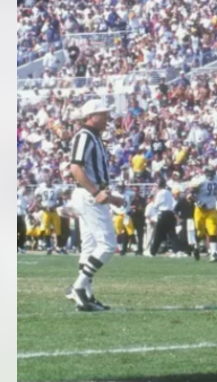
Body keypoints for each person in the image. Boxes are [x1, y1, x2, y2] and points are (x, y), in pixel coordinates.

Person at [67, 99, 123, 313]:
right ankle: (79, 287)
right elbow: (75, 168)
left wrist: (110, 196)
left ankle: (87, 297)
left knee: (90, 247)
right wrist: (95, 192)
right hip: (87, 195)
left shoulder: (94, 137)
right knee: (108, 245)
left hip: (90, 194)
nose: (107, 118)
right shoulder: (85, 136)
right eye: (102, 114)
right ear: (91, 116)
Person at [191, 167, 217, 262]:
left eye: (211, 172)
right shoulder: (200, 180)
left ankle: (213, 253)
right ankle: (196, 247)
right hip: (200, 210)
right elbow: (190, 194)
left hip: (212, 210)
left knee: (213, 231)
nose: (210, 174)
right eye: (208, 172)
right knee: (200, 232)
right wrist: (199, 201)